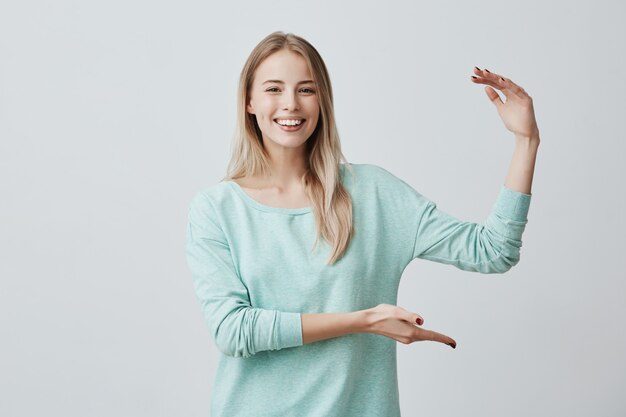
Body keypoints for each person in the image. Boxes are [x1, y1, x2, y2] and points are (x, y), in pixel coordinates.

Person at [185, 30, 539, 417]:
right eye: (274, 89)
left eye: (306, 89)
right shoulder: (216, 209)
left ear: (322, 101)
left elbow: (493, 250)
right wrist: (365, 320)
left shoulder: (374, 194)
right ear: (249, 102)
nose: (290, 104)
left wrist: (526, 142)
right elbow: (233, 331)